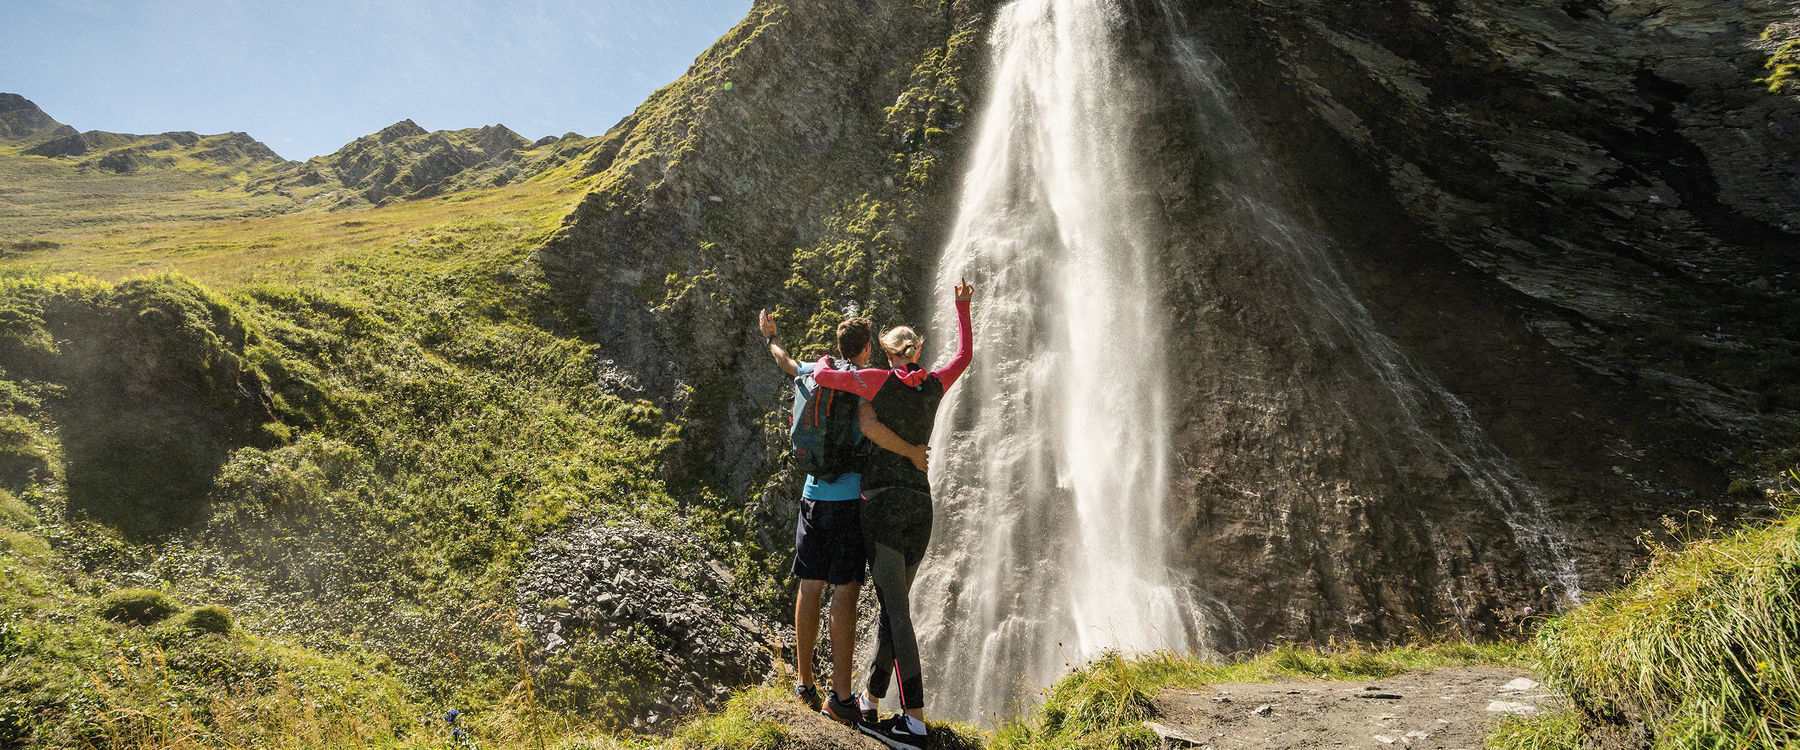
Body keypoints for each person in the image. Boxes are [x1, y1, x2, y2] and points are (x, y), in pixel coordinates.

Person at [809, 278, 973, 750]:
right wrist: (962, 307)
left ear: (889, 353)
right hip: (921, 506)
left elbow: (824, 377)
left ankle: (915, 724)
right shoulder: (936, 384)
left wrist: (824, 361)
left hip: (881, 506)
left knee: (896, 612)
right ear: (918, 349)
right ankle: (871, 698)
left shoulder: (878, 381)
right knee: (893, 606)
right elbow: (963, 355)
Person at [758, 309, 875, 725]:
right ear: (865, 349)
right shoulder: (865, 382)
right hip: (848, 502)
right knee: (844, 592)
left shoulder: (813, 372)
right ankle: (841, 697)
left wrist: (770, 335)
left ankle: (803, 683)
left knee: (810, 586)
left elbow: (783, 360)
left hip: (811, 496)